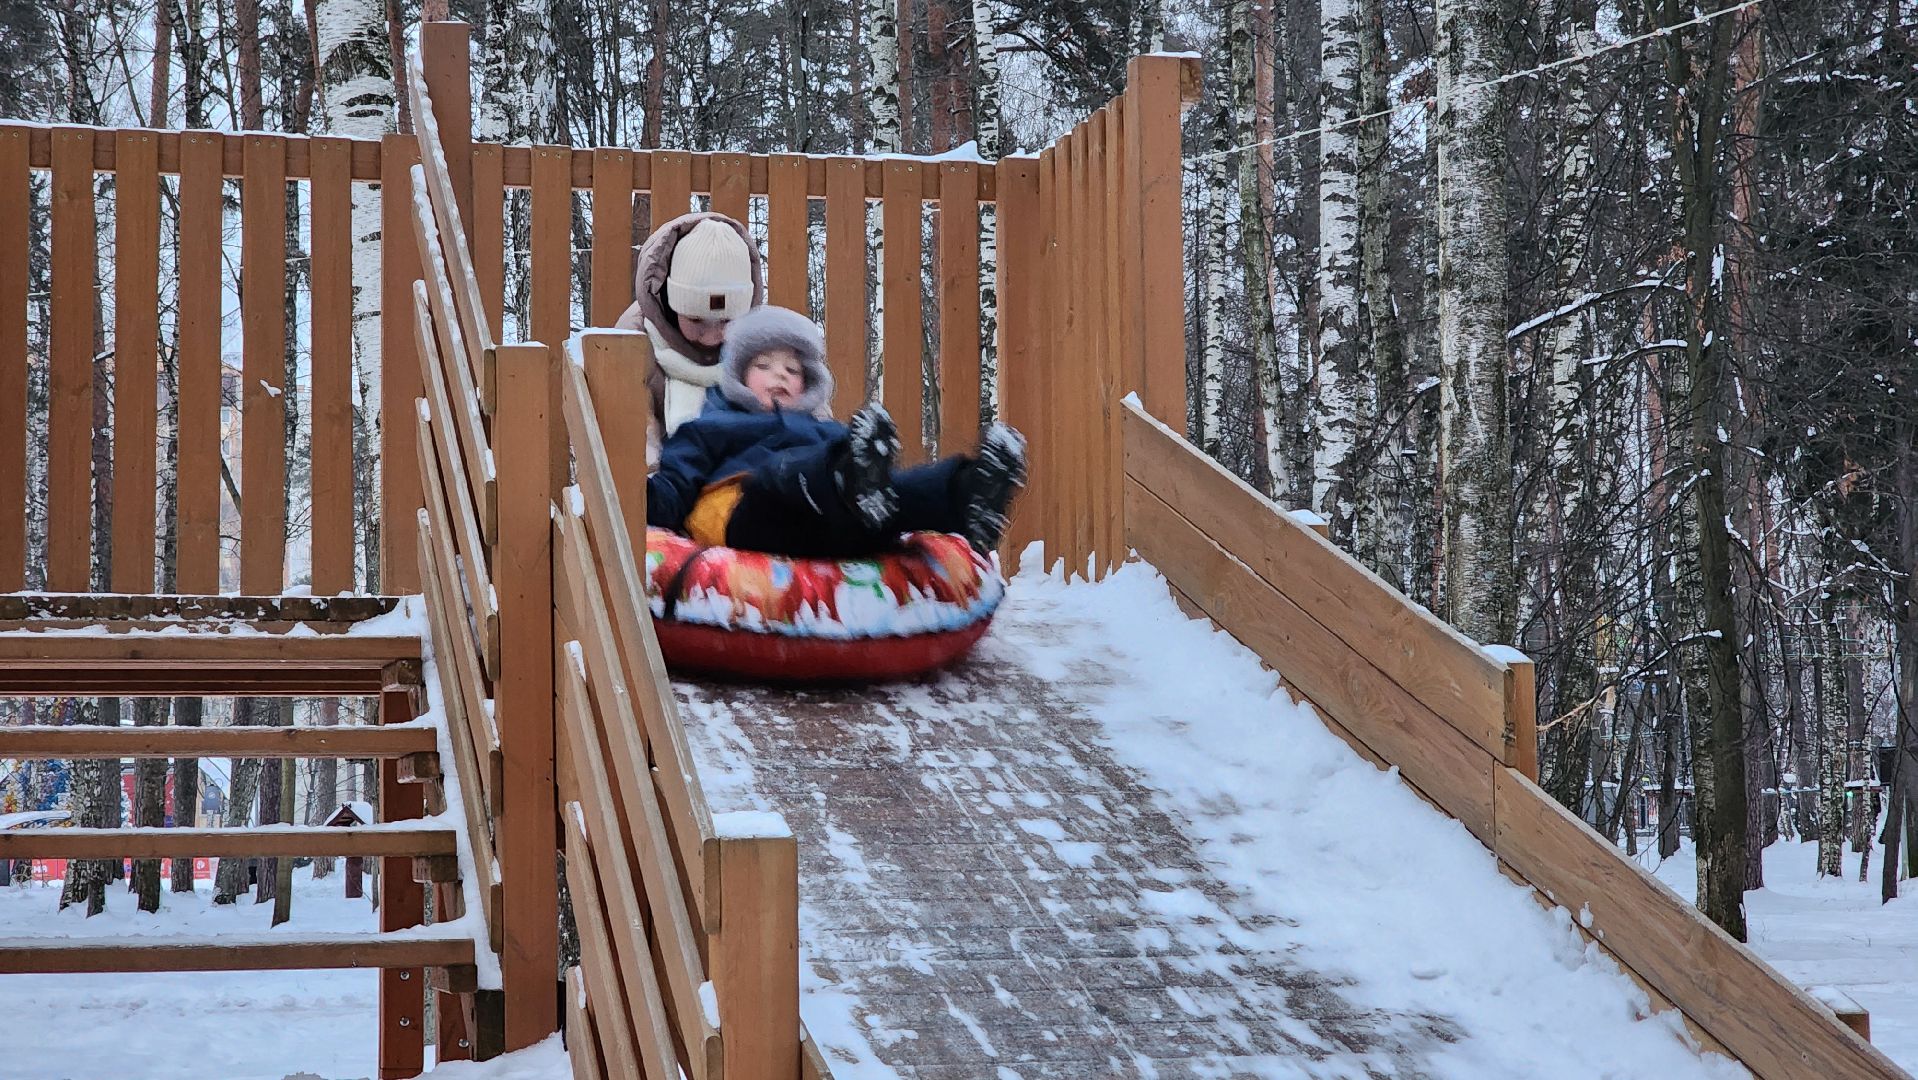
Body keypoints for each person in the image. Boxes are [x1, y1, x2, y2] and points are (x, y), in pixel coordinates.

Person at [647, 305, 1027, 558]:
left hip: (824, 521)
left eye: (792, 370)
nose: (780, 374)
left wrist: (871, 477)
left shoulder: (823, 431)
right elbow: (675, 485)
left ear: (807, 383)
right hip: (747, 513)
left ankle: (967, 494)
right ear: (739, 375)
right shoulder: (709, 427)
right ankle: (846, 480)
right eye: (764, 365)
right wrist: (642, 498)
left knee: (887, 499)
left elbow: (877, 483)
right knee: (781, 475)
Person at [614, 211, 767, 458]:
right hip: (669, 477)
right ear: (673, 306)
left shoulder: (765, 339)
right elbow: (628, 426)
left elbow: (806, 410)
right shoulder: (637, 338)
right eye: (695, 319)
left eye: (727, 321)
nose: (711, 336)